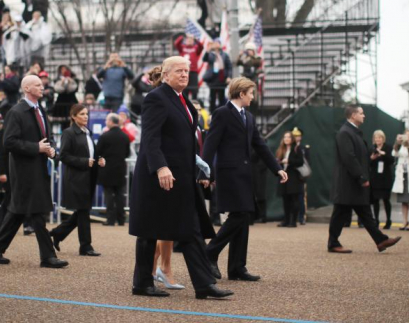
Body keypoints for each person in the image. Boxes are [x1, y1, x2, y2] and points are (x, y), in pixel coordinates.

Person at [129, 56, 231, 300]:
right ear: (165, 75)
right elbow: (151, 139)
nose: (185, 75)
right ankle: (142, 283)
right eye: (179, 71)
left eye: (187, 71)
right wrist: (161, 168)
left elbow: (185, 143)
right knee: (149, 231)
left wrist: (201, 170)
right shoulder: (156, 98)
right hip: (160, 178)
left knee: (191, 229)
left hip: (183, 177)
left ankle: (204, 284)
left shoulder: (184, 101)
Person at [202, 77, 288, 281]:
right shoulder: (222, 113)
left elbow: (260, 145)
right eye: (250, 93)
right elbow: (210, 144)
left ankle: (237, 267)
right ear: (241, 94)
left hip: (244, 175)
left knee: (244, 216)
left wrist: (276, 169)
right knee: (239, 215)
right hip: (228, 173)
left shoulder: (249, 117)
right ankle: (209, 252)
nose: (253, 96)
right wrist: (205, 172)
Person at [0, 75, 66, 269]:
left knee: (18, 212)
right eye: (37, 85)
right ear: (27, 88)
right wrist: (36, 148)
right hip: (23, 170)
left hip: (38, 167)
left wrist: (52, 149)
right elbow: (9, 142)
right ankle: (47, 256)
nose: (42, 87)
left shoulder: (41, 110)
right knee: (37, 211)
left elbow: (48, 137)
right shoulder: (16, 112)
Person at [327, 105, 401, 254]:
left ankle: (380, 240)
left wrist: (370, 156)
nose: (364, 116)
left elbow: (359, 154)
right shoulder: (345, 132)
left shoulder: (353, 132)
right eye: (361, 113)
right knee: (341, 212)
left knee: (365, 213)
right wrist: (360, 177)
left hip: (354, 183)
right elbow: (349, 157)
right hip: (348, 183)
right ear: (353, 115)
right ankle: (333, 243)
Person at [50, 104, 105, 256]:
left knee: (82, 212)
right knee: (83, 212)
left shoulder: (87, 132)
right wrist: (84, 161)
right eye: (82, 114)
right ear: (73, 116)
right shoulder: (68, 133)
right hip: (76, 178)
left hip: (88, 177)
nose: (86, 116)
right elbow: (64, 156)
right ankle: (86, 246)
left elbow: (91, 153)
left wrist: (99, 159)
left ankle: (57, 233)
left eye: (87, 113)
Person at [96, 113, 130, 226]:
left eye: (106, 120)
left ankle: (110, 220)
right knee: (120, 195)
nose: (106, 122)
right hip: (120, 169)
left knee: (109, 195)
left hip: (107, 169)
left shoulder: (104, 136)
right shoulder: (125, 136)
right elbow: (127, 153)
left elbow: (98, 151)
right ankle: (121, 219)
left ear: (111, 122)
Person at [275, 129, 306, 228]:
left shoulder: (297, 148)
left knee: (295, 200)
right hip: (284, 177)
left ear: (292, 139)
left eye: (288, 137)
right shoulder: (281, 149)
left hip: (294, 178)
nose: (286, 139)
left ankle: (293, 221)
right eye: (285, 137)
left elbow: (300, 162)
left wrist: (289, 161)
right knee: (285, 200)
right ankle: (286, 220)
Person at [369, 130, 394, 230]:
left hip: (385, 178)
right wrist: (372, 158)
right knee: (375, 200)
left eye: (379, 137)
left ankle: (388, 220)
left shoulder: (388, 148)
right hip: (375, 178)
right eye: (376, 138)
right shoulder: (372, 149)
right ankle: (376, 220)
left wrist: (383, 154)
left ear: (383, 139)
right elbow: (369, 163)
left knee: (386, 200)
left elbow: (391, 161)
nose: (377, 139)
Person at [203, 41, 232, 112]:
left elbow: (229, 67)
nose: (216, 45)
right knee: (212, 99)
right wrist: (208, 50)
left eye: (218, 43)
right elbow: (204, 59)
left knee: (222, 99)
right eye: (215, 43)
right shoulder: (210, 54)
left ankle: (222, 113)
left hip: (222, 79)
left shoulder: (224, 55)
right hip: (212, 80)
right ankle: (212, 114)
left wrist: (229, 77)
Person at [173, 34, 204, 99]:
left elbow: (201, 46)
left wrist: (195, 38)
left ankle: (194, 104)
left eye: (191, 40)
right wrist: (183, 36)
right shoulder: (182, 47)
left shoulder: (195, 48)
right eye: (188, 39)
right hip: (183, 71)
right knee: (184, 89)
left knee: (194, 90)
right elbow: (176, 43)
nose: (189, 41)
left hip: (193, 72)